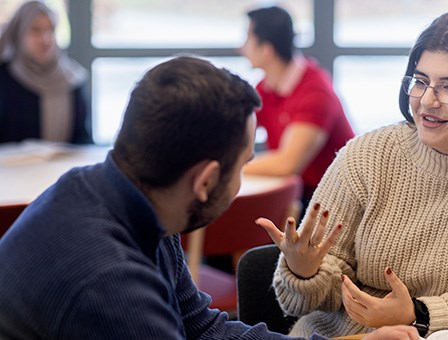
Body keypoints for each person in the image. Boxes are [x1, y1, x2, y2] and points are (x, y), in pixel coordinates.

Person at [0, 56, 418, 340]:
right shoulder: (108, 283)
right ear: (205, 181)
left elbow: (201, 328)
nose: (242, 180)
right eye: (243, 165)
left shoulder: (129, 195)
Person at [256, 10, 448, 339]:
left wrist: (419, 313)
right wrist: (303, 271)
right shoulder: (367, 155)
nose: (427, 101)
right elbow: (303, 301)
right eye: (420, 82)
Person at [239, 5, 354, 206]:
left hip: (334, 203)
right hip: (302, 196)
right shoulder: (266, 87)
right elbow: (236, 133)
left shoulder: (315, 91)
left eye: (247, 39)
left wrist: (228, 168)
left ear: (266, 50)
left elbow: (287, 164)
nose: (241, 48)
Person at [0, 1, 92, 144]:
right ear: (18, 33)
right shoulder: (4, 77)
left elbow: (83, 140)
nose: (45, 39)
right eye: (35, 30)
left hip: (63, 166)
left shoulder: (72, 79)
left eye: (51, 30)